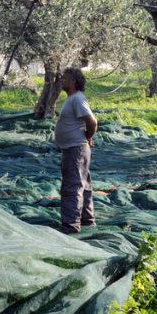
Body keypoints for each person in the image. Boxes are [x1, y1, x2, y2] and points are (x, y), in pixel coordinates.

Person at [54, 67, 98, 234]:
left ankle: (70, 226)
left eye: (64, 78)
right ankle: (87, 220)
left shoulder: (77, 99)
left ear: (73, 81)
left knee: (72, 187)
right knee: (83, 185)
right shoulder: (73, 99)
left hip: (76, 149)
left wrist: (88, 136)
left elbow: (92, 122)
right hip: (74, 148)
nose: (62, 81)